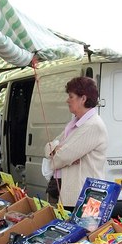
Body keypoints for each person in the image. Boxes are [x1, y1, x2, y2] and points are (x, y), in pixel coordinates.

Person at [44, 77, 108, 209]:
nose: (67, 100)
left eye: (71, 96)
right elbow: (47, 147)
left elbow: (62, 157)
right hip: (73, 195)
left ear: (83, 99)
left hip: (85, 197)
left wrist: (57, 153)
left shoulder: (92, 125)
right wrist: (58, 151)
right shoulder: (75, 123)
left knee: (85, 230)